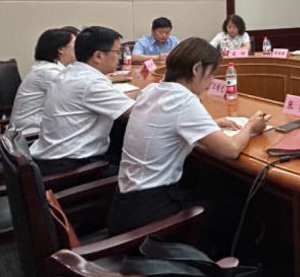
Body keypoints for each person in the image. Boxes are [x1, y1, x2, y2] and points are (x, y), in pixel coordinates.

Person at [108, 37, 270, 235]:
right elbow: (231, 150)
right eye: (211, 74)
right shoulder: (183, 99)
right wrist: (251, 126)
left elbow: (168, 123)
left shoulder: (151, 90)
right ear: (196, 69)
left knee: (214, 187)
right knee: (242, 204)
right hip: (150, 215)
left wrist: (210, 125)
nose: (212, 81)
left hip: (125, 204)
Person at [31, 26, 135, 175]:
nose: (120, 57)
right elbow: (137, 113)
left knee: (119, 140)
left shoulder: (71, 72)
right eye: (117, 52)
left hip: (53, 155)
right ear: (98, 56)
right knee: (139, 174)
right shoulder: (90, 83)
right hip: (70, 166)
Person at [10, 26, 78, 138]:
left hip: (40, 128)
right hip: (30, 135)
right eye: (75, 45)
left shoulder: (49, 68)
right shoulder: (47, 72)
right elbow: (78, 92)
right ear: (61, 49)